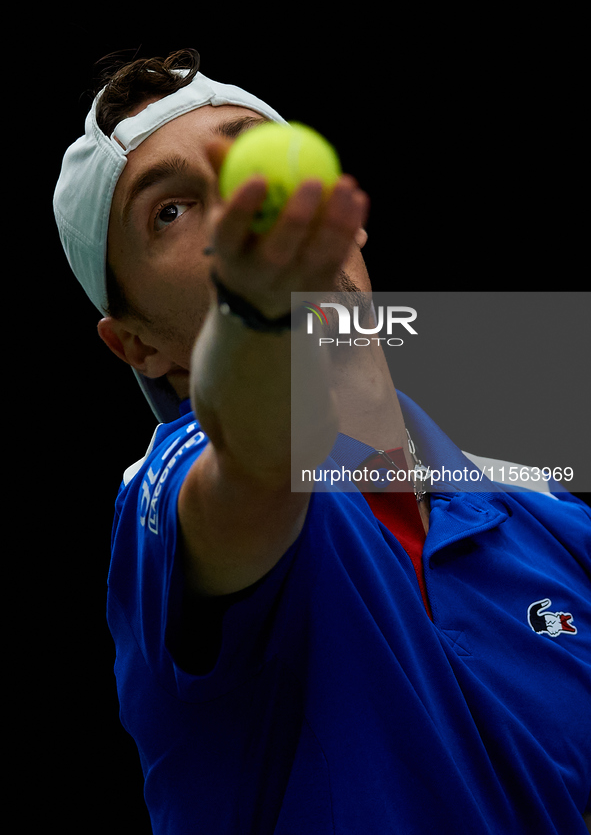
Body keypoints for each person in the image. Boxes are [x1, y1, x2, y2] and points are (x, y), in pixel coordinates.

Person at [54, 48, 591, 834]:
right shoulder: (169, 486)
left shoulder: (549, 515)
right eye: (169, 210)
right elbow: (249, 473)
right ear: (138, 346)